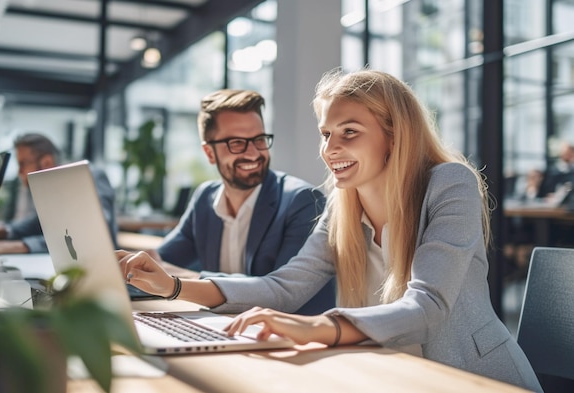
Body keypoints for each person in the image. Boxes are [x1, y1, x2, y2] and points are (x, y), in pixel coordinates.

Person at [117, 69, 542, 391]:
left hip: (473, 377)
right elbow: (284, 288)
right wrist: (173, 286)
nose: (329, 149)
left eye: (349, 133)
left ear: (394, 136)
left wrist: (318, 327)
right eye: (325, 134)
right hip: (392, 373)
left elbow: (427, 306)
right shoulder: (343, 203)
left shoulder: (450, 184)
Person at [149, 89, 333, 315]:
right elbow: (161, 262)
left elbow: (277, 294)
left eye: (259, 139)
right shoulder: (205, 198)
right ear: (209, 153)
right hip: (225, 329)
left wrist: (182, 281)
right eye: (237, 143)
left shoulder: (303, 201)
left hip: (289, 338)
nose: (254, 153)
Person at [0, 133, 117, 255]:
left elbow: (89, 231)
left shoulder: (88, 177)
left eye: (22, 164)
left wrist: (17, 246)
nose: (19, 172)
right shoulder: (49, 186)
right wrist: (4, 230)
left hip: (99, 267)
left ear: (46, 162)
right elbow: (38, 223)